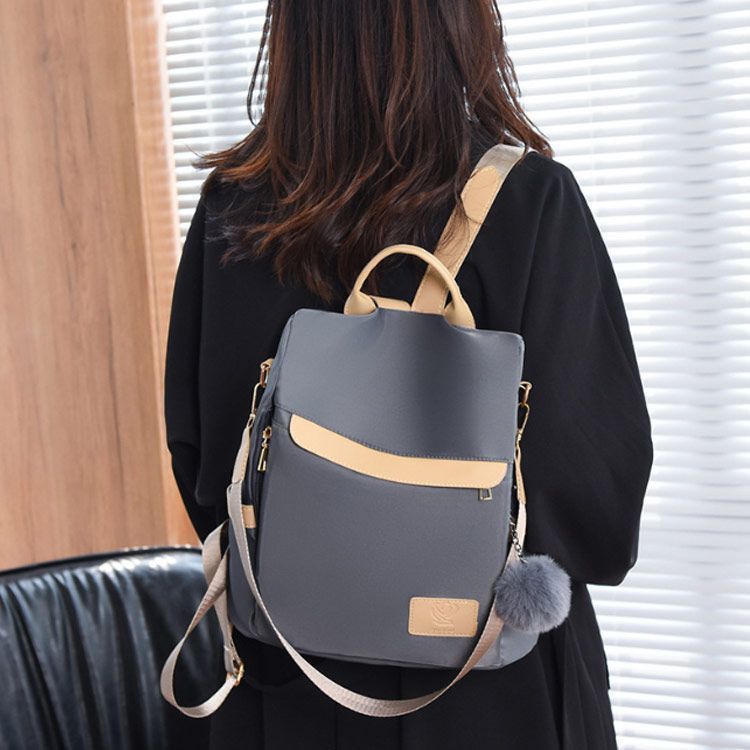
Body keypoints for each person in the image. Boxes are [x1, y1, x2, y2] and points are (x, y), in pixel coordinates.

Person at [164, 1, 653, 748]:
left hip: (286, 688)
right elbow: (599, 511)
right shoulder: (530, 203)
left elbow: (204, 468)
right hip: (497, 696)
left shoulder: (233, 210)